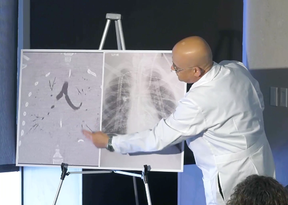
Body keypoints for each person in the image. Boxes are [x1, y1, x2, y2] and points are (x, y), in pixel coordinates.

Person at [82, 36, 275, 205]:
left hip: (231, 175)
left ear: (196, 71)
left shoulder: (200, 100)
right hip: (260, 157)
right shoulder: (235, 68)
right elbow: (259, 100)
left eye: (177, 67)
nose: (171, 68)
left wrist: (110, 141)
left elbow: (157, 138)